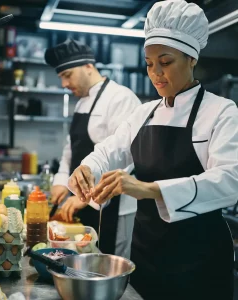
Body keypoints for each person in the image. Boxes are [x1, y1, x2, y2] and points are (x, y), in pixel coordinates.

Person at [67, 1, 237, 299]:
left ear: (191, 58)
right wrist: (87, 169)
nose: (155, 73)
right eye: (149, 63)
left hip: (199, 261)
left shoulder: (221, 112)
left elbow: (230, 180)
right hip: (145, 255)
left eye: (166, 62)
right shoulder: (143, 114)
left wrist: (150, 189)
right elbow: (108, 151)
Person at [44, 39, 140, 258]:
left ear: (88, 66)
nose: (64, 84)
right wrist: (60, 183)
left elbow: (128, 160)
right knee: (83, 260)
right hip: (82, 202)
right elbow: (71, 151)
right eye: (61, 78)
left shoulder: (120, 98)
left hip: (114, 206)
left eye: (67, 75)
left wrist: (89, 197)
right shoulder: (81, 103)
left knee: (107, 263)